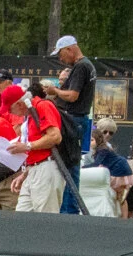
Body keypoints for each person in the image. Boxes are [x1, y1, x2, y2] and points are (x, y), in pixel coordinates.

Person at [43, 35, 96, 214]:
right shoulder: (85, 66)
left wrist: (55, 90)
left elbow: (73, 95)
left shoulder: (81, 66)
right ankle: (67, 209)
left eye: (61, 54)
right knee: (68, 165)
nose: (60, 59)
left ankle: (70, 211)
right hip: (76, 120)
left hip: (73, 120)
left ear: (70, 49)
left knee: (70, 167)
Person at [1, 84, 63, 213]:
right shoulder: (30, 114)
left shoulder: (42, 106)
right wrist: (25, 174)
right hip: (35, 169)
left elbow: (55, 137)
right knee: (22, 219)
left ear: (19, 104)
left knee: (46, 221)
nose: (9, 113)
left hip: (46, 168)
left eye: (10, 109)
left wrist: (27, 146)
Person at [89, 120, 133, 217]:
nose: (107, 135)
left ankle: (125, 218)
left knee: (121, 195)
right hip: (113, 171)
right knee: (119, 196)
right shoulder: (102, 146)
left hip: (119, 171)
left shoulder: (104, 147)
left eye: (111, 133)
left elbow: (96, 163)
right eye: (105, 132)